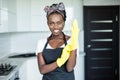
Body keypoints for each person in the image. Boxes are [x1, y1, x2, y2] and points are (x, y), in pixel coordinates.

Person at [36, 2, 79, 80]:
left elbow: (69, 68)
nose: (55, 27)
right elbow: (42, 70)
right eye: (51, 23)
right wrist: (59, 62)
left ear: (64, 23)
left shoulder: (71, 41)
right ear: (47, 24)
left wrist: (74, 42)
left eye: (59, 23)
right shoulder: (41, 43)